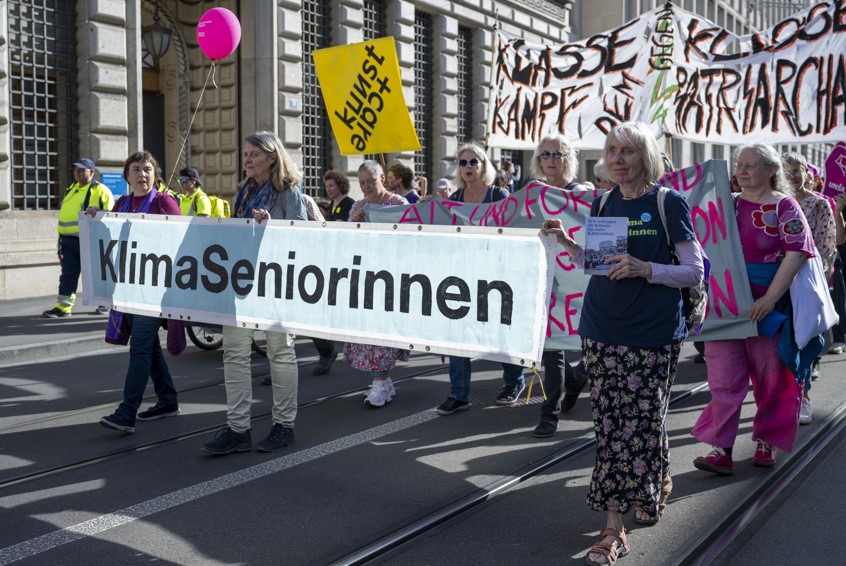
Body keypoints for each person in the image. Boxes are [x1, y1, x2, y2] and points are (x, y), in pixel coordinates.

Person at [542, 121, 703, 564]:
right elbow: (597, 263)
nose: (616, 158)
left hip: (652, 333)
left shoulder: (668, 203)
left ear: (645, 156)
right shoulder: (604, 200)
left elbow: (694, 272)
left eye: (627, 151)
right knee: (612, 426)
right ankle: (613, 527)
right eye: (611, 150)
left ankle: (655, 480)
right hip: (601, 328)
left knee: (646, 421)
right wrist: (566, 241)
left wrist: (645, 268)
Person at [691, 143, 814, 476]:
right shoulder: (724, 205)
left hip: (767, 307)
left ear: (771, 170)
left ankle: (766, 441)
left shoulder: (785, 206)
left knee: (771, 377)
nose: (742, 171)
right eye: (738, 165)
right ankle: (722, 449)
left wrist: (770, 299)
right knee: (723, 378)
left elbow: (797, 252)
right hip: (725, 305)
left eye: (750, 165)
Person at [202, 131, 308, 455]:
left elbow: (303, 241)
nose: (246, 159)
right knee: (234, 352)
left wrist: (271, 229)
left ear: (272, 157)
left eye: (253, 154)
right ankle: (238, 429)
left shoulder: (289, 194)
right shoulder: (243, 191)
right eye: (245, 153)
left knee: (280, 353)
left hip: (276, 286)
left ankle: (284, 425)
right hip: (242, 284)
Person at [92, 151, 182, 432]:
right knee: (150, 348)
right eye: (135, 170)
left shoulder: (164, 202)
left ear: (155, 175)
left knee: (140, 348)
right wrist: (97, 219)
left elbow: (183, 243)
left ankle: (127, 412)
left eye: (147, 170)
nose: (141, 175)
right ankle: (168, 400)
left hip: (154, 291)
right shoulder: (122, 202)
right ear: (126, 175)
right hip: (128, 289)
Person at [434, 143, 526, 416]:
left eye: (474, 162)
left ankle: (514, 382)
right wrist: (428, 207)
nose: (468, 167)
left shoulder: (499, 195)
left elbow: (518, 227)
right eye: (463, 163)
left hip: (497, 275)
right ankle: (458, 393)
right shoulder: (454, 200)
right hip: (463, 276)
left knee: (498, 331)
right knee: (459, 333)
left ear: (483, 166)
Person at [523, 134, 589, 437]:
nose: (550, 160)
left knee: (577, 343)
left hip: (575, 281)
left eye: (557, 154)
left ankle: (576, 379)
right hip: (544, 281)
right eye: (545, 155)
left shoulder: (581, 194)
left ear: (568, 159)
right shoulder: (530, 195)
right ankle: (549, 413)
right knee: (550, 348)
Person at [346, 161, 410, 407]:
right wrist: (355, 223)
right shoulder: (358, 205)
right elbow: (350, 240)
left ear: (382, 177)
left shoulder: (398, 204)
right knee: (368, 333)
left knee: (382, 333)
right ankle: (382, 381)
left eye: (370, 181)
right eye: (361, 182)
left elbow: (410, 238)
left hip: (391, 278)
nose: (366, 186)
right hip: (366, 277)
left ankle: (381, 383)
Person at [783, 152, 836, 424]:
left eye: (796, 170)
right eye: (785, 170)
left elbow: (827, 249)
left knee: (804, 341)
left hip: (805, 283)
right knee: (781, 346)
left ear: (807, 172)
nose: (791, 175)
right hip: (776, 284)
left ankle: (803, 396)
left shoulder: (819, 205)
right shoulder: (775, 202)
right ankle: (781, 399)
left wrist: (817, 282)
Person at [44, 158, 114, 318]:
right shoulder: (71, 189)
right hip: (68, 243)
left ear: (92, 172)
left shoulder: (101, 191)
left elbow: (111, 216)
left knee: (98, 274)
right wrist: (59, 243)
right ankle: (63, 307)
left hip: (92, 241)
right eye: (76, 169)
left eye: (82, 169)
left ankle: (105, 303)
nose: (78, 172)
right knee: (68, 275)